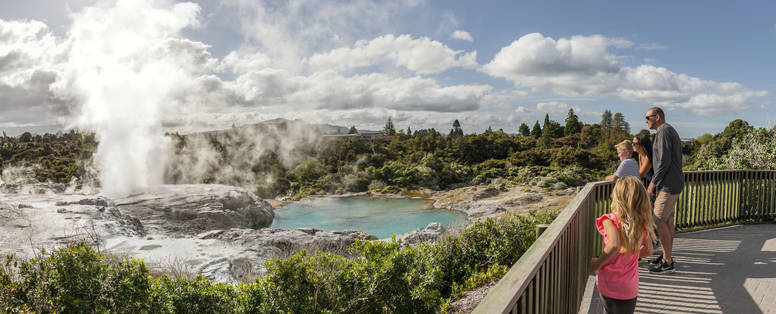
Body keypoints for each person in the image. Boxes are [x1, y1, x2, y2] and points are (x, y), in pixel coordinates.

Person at [591, 176, 656, 314]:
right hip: (629, 287)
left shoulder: (610, 220)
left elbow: (614, 245)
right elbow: (649, 250)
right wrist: (633, 253)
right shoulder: (641, 223)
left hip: (608, 282)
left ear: (617, 197)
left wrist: (596, 264)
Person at [644, 107, 684, 274]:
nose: (645, 120)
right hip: (671, 183)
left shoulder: (664, 131)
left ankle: (667, 263)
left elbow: (664, 162)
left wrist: (653, 184)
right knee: (667, 221)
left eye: (648, 117)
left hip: (668, 185)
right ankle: (668, 257)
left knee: (658, 220)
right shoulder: (667, 131)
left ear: (657, 117)